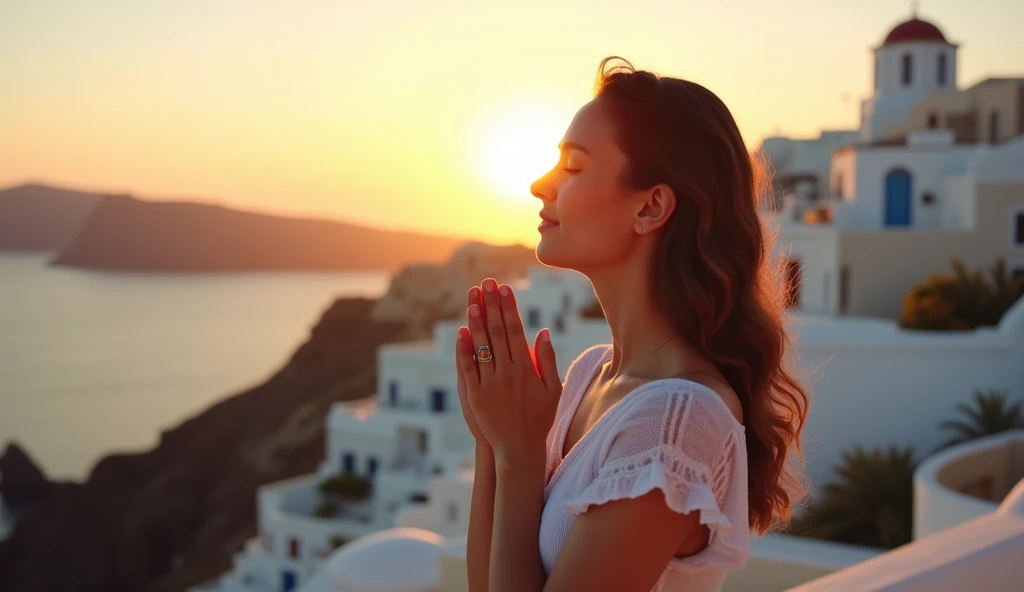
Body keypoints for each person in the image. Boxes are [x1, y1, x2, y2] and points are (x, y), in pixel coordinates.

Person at [453, 57, 809, 592]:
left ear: (652, 207)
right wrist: (493, 435)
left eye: (572, 167)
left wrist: (519, 453)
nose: (538, 185)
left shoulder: (677, 421)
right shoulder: (589, 375)